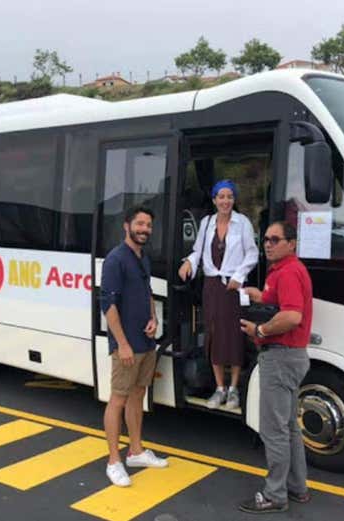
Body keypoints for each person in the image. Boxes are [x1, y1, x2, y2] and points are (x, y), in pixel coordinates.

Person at [238, 221, 313, 514]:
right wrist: (260, 296)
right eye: (265, 239)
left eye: (275, 239)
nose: (268, 244)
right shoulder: (283, 271)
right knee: (290, 427)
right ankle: (297, 487)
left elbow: (292, 316)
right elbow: (281, 305)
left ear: (291, 244)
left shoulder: (289, 273)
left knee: (273, 431)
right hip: (292, 356)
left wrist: (259, 331)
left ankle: (275, 495)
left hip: (280, 358)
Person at [100, 205, 168, 487]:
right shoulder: (115, 260)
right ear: (126, 226)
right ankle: (114, 461)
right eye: (139, 224)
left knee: (138, 395)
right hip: (127, 345)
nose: (144, 229)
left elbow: (147, 291)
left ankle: (136, 451)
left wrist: (153, 318)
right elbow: (109, 305)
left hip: (146, 342)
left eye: (148, 225)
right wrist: (123, 344)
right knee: (117, 399)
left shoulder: (142, 257)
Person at [178, 179, 259, 410]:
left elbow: (251, 254)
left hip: (232, 287)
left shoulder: (242, 223)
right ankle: (219, 387)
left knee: (233, 336)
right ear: (214, 200)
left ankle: (233, 389)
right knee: (213, 336)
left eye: (229, 197)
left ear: (234, 200)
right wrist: (189, 263)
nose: (225, 201)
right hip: (212, 286)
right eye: (221, 197)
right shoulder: (207, 222)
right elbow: (198, 251)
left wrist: (239, 277)